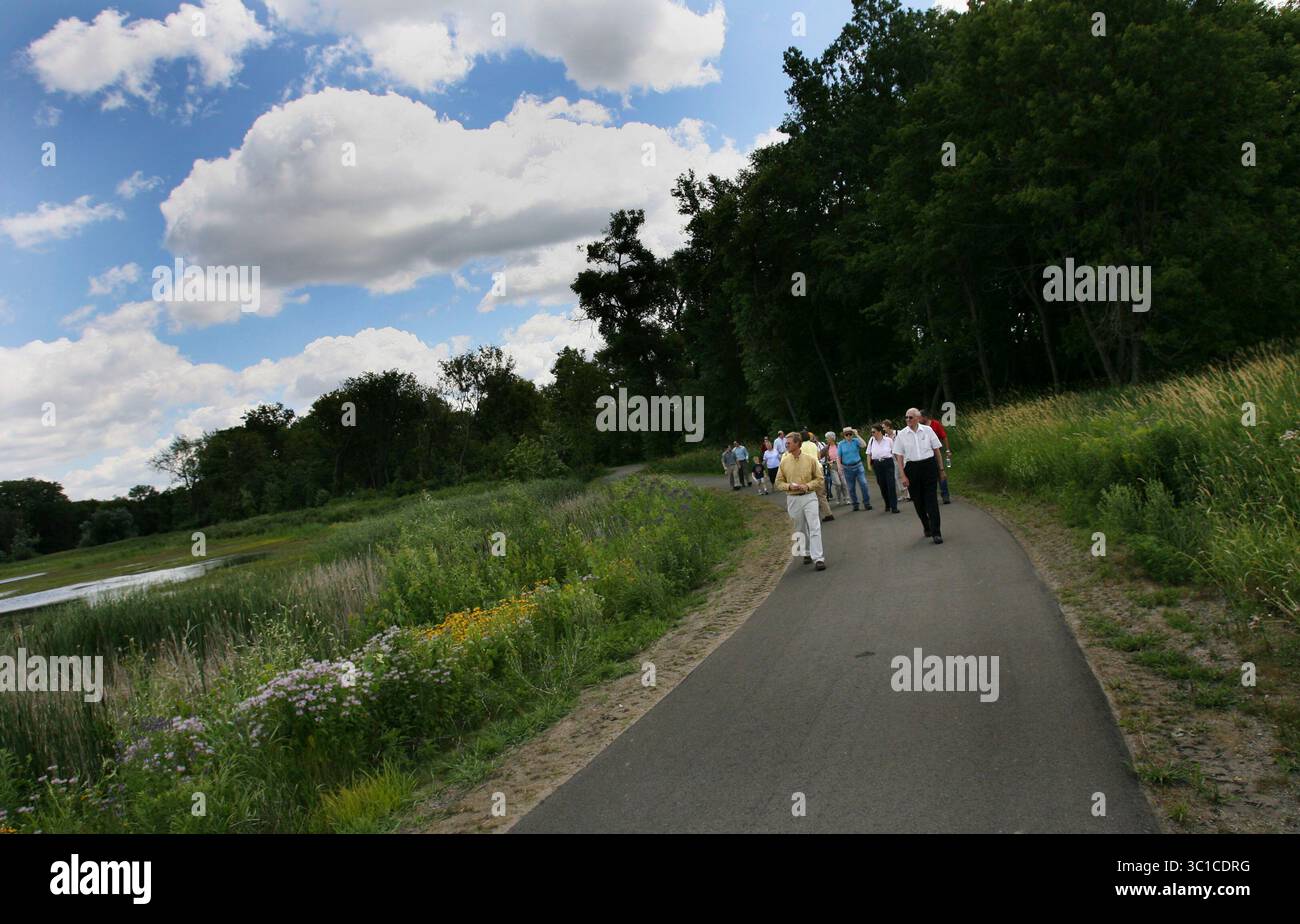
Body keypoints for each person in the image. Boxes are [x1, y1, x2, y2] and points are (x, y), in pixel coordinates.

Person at [893, 407, 947, 545]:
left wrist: (941, 469)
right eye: (906, 417)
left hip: (929, 466)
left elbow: (937, 450)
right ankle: (926, 525)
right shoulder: (902, 434)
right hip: (912, 468)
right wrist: (903, 475)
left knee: (932, 500)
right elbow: (899, 456)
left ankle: (936, 532)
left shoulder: (927, 430)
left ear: (917, 418)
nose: (907, 420)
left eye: (910, 417)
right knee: (918, 501)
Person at [776, 431, 826, 571]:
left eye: (789, 442)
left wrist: (808, 485)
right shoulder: (784, 461)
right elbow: (778, 482)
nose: (786, 445)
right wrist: (789, 486)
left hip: (809, 496)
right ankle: (806, 553)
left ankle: (819, 558)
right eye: (786, 442)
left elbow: (820, 479)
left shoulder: (810, 460)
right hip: (792, 498)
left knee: (814, 527)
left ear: (798, 443)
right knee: (798, 528)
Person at [835, 426, 873, 512]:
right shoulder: (841, 444)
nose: (848, 436)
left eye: (850, 434)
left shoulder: (856, 441)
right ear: (844, 435)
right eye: (846, 434)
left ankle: (866, 503)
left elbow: (864, 445)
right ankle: (855, 504)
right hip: (847, 468)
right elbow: (838, 456)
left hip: (858, 466)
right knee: (851, 487)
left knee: (864, 484)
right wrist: (839, 467)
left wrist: (857, 435)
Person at [919, 410, 951, 504]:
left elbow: (944, 437)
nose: (919, 419)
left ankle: (945, 495)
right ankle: (930, 497)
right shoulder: (919, 427)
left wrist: (948, 450)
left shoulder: (935, 424)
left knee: (941, 473)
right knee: (928, 476)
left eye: (920, 417)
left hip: (936, 453)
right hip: (925, 454)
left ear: (925, 417)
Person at [867, 423, 900, 513]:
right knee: (882, 485)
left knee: (891, 484)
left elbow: (895, 452)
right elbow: (868, 454)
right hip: (877, 464)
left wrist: (900, 464)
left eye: (873, 432)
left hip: (888, 462)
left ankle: (894, 506)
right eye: (871, 432)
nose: (872, 433)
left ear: (879, 431)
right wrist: (869, 465)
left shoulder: (888, 440)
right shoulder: (871, 440)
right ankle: (887, 504)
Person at [824, 431, 849, 505]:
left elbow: (845, 454)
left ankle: (847, 498)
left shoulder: (839, 445)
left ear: (832, 438)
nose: (826, 439)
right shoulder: (826, 448)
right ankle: (838, 498)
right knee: (838, 484)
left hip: (841, 465)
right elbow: (819, 455)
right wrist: (828, 462)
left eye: (827, 438)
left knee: (844, 483)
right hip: (832, 467)